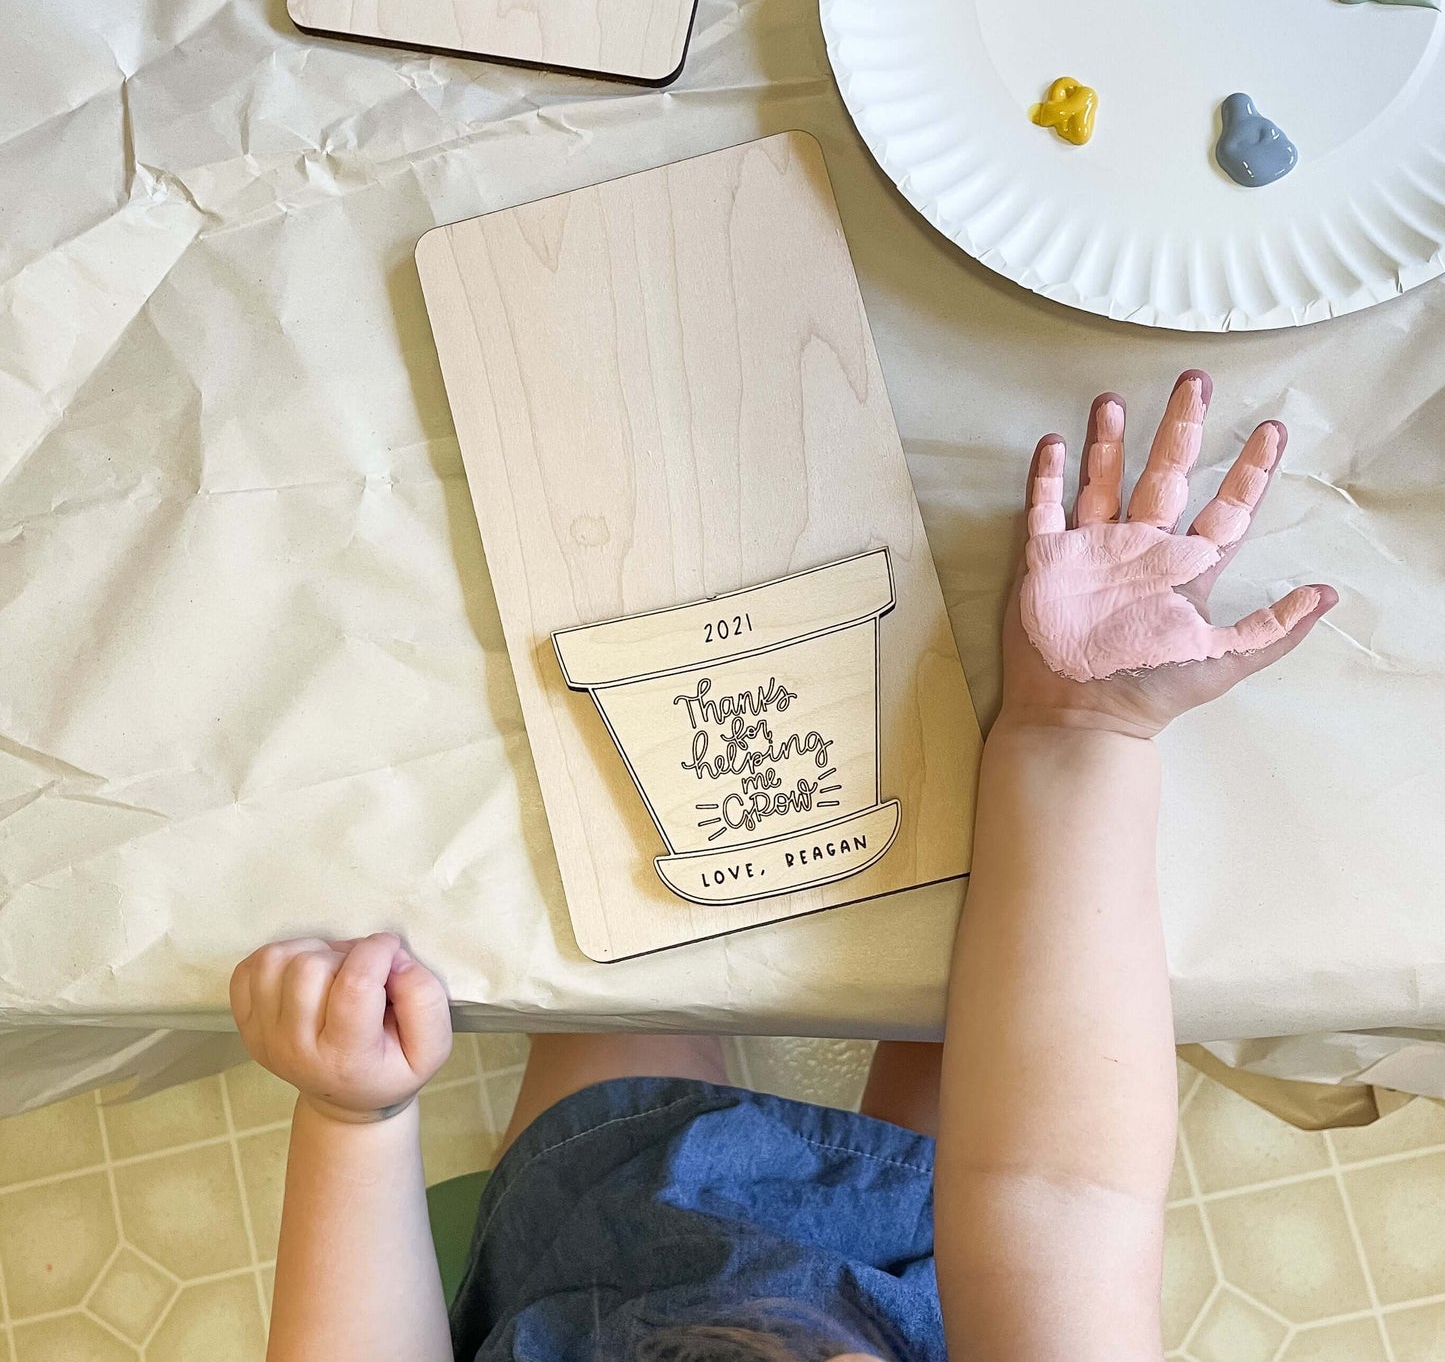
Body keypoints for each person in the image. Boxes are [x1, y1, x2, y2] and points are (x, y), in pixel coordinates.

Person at [230, 371, 1335, 1362]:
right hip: (941, 1274)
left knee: (632, 954)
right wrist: (1077, 731)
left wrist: (351, 1118)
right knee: (962, 983)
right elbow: (1058, 1187)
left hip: (605, 1237)